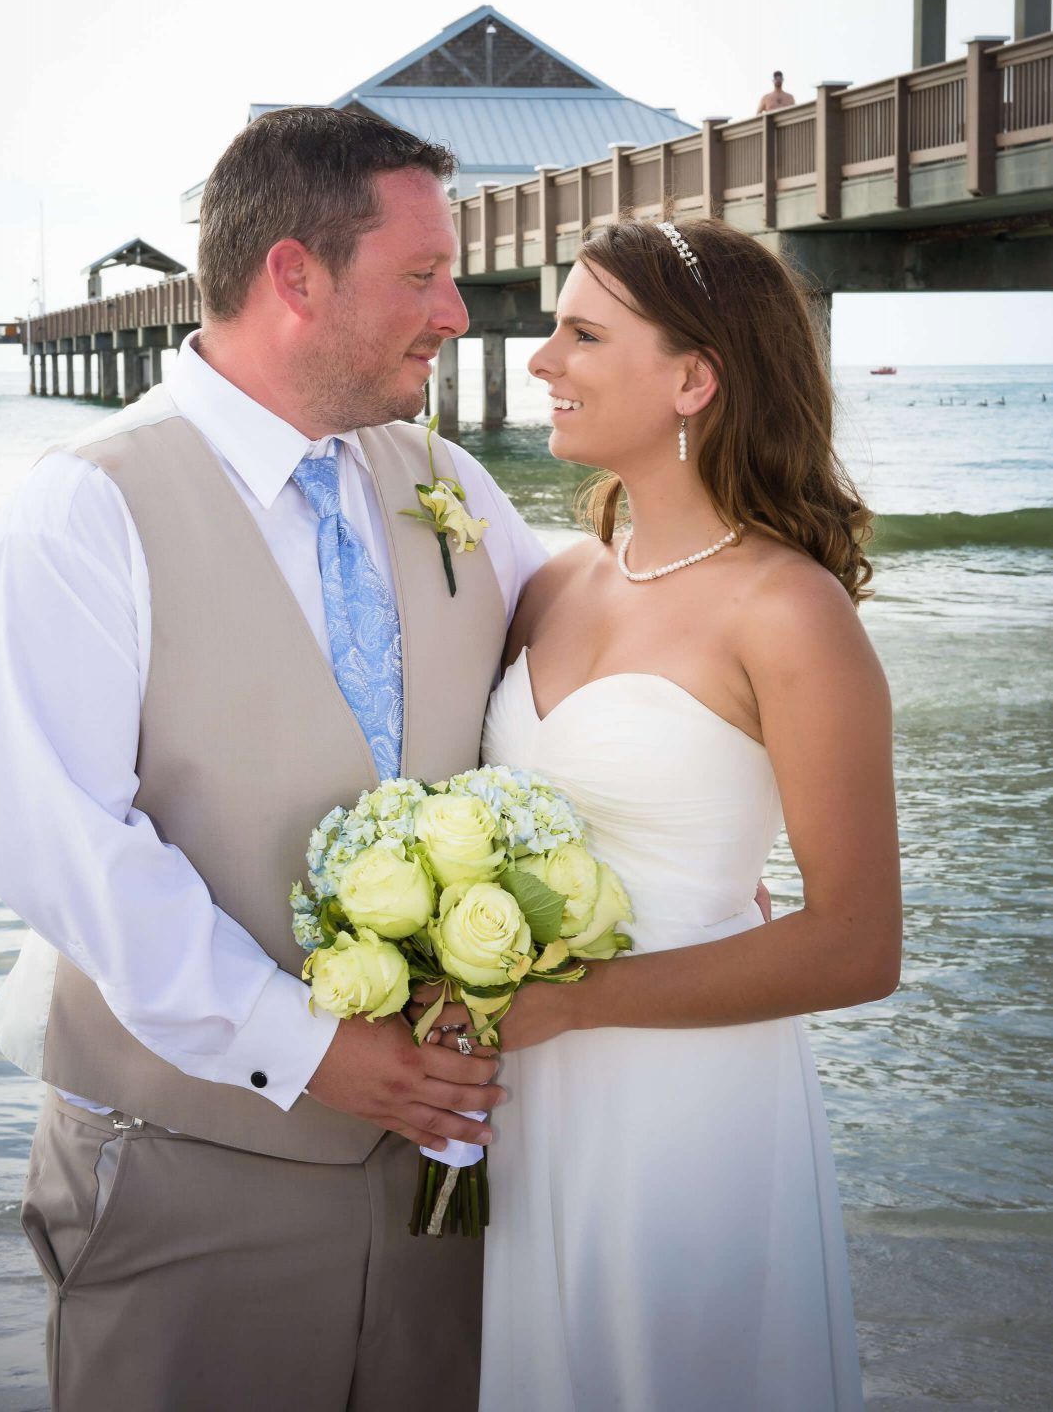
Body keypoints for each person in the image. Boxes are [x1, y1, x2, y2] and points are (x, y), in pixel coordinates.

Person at [0, 107, 549, 1412]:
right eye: (422, 276)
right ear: (292, 275)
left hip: (444, 1180)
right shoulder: (86, 513)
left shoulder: (450, 484)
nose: (457, 316)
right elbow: (60, 842)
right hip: (190, 1177)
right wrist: (306, 1046)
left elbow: (571, 685)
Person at [425, 216, 900, 1411]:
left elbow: (856, 944)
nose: (538, 361)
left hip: (686, 1102)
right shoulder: (554, 579)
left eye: (581, 334)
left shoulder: (787, 614)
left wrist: (563, 1005)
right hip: (531, 1103)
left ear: (692, 379)